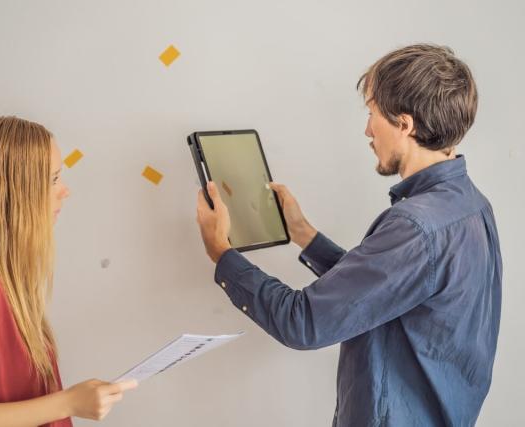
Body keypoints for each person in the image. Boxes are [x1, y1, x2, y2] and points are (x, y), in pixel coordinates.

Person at [196, 44, 502, 426]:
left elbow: (302, 322)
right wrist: (305, 234)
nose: (367, 130)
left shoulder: (414, 226)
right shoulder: (471, 206)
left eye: (372, 113)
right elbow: (385, 291)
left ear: (404, 124)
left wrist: (221, 252)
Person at [0, 116, 137, 427]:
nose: (64, 191)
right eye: (52, 179)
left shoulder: (2, 280)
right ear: (15, 192)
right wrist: (70, 402)